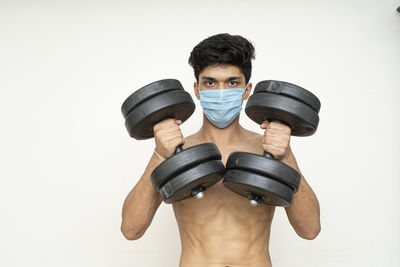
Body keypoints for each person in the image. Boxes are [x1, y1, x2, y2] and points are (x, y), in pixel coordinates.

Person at [120, 33, 321, 267]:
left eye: (232, 82)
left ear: (247, 90)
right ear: (196, 90)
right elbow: (131, 230)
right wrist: (159, 154)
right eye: (210, 82)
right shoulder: (176, 151)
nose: (221, 91)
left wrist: (286, 155)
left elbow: (310, 230)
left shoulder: (270, 150)